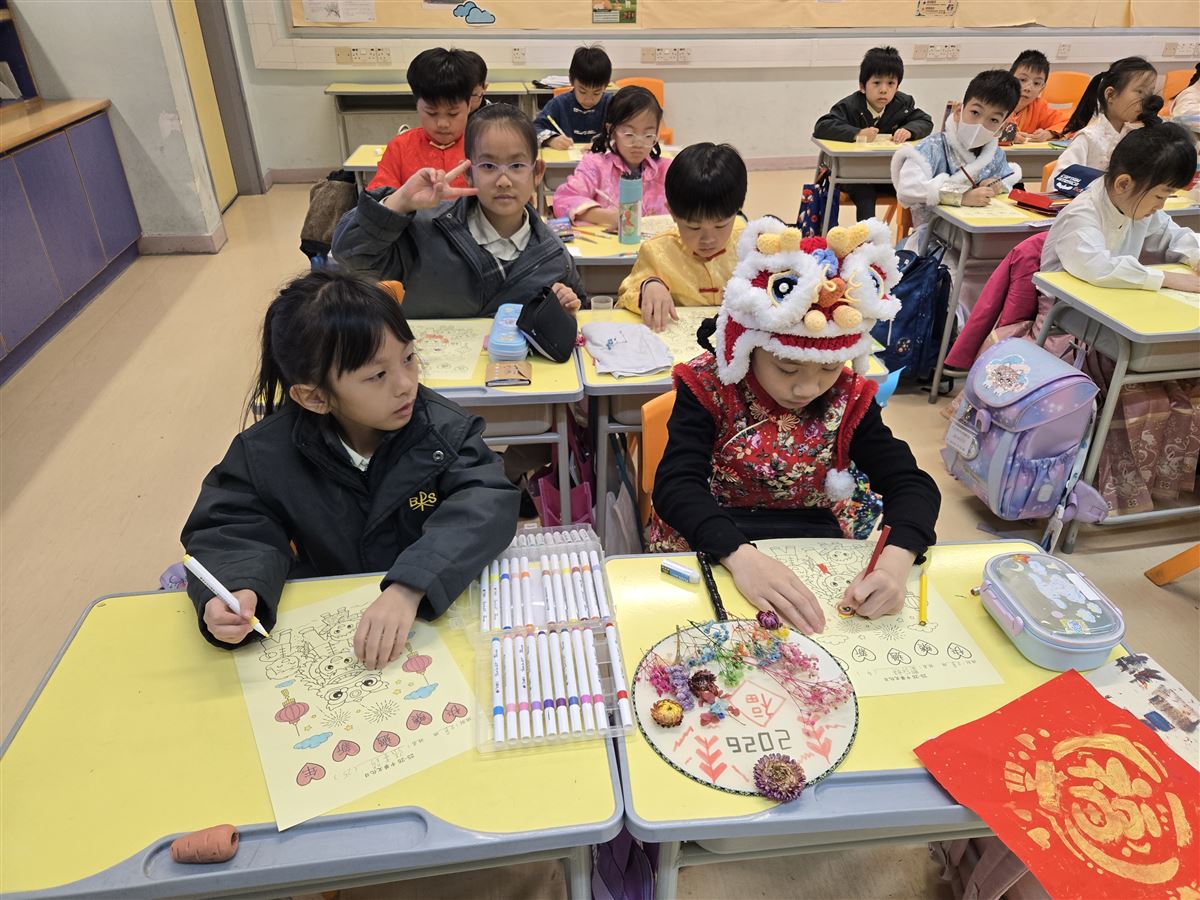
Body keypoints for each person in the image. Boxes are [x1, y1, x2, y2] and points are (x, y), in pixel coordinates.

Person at [181, 270, 519, 667]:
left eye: (409, 358)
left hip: (430, 617)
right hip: (328, 629)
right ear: (315, 397)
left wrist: (411, 584)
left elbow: (486, 502)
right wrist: (239, 587)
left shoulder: (442, 431)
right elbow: (231, 527)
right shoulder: (265, 453)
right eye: (377, 375)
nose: (405, 384)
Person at [649, 218, 940, 634]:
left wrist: (895, 562)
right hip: (715, 535)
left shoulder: (847, 396)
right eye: (787, 368)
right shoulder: (711, 386)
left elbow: (911, 484)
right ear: (749, 346)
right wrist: (741, 556)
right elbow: (676, 485)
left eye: (828, 368)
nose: (807, 388)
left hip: (809, 537)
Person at [333, 104, 585, 318]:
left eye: (517, 165)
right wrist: (400, 201)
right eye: (488, 166)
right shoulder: (425, 231)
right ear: (469, 173)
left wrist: (564, 311)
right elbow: (350, 255)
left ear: (537, 172)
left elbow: (577, 314)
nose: (503, 181)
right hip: (424, 360)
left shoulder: (554, 257)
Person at [1042, 118, 1200, 292]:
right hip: (1066, 304)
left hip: (1107, 297)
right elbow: (1096, 266)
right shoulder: (1082, 213)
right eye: (1159, 196)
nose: (1160, 206)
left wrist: (1197, 256)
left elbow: (1175, 237)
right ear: (1124, 184)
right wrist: (1166, 278)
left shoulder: (1135, 204)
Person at [617, 142, 748, 331]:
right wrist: (649, 285)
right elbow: (625, 296)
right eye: (694, 227)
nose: (708, 239)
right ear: (672, 213)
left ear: (737, 211)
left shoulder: (751, 245)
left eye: (720, 225)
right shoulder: (657, 251)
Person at [891, 69, 1022, 242]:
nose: (980, 124)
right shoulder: (933, 147)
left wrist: (996, 185)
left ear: (1002, 127)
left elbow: (1006, 181)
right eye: (975, 112)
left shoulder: (995, 155)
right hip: (932, 240)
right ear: (959, 111)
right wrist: (961, 196)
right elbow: (908, 189)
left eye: (993, 120)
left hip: (983, 238)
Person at [812, 46, 934, 220]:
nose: (884, 90)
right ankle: (868, 236)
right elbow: (822, 126)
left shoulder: (902, 104)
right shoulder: (849, 106)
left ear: (897, 86)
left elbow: (924, 121)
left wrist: (909, 130)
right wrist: (857, 133)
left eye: (890, 84)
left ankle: (917, 234)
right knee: (865, 194)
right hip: (854, 176)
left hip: (887, 174)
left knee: (916, 188)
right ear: (863, 86)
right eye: (877, 83)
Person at [553, 85, 672, 227]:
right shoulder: (595, 166)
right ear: (612, 130)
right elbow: (563, 201)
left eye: (648, 135)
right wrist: (610, 217)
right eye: (629, 134)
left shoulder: (667, 170)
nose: (638, 143)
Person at [368, 48, 474, 191]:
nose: (442, 124)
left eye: (453, 113)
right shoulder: (400, 148)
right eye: (432, 113)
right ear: (417, 105)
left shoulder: (481, 145)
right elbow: (377, 197)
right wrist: (403, 198)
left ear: (469, 105)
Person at [1053, 56, 1159, 179]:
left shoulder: (1137, 135)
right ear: (1110, 95)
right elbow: (1060, 181)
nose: (1147, 100)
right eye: (1140, 91)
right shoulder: (1088, 138)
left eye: (1150, 93)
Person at [534, 45, 613, 148]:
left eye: (596, 93)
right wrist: (551, 139)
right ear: (571, 80)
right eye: (582, 91)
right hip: (567, 158)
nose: (588, 99)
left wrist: (607, 142)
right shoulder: (559, 104)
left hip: (600, 158)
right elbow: (534, 128)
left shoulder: (611, 105)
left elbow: (625, 132)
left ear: (606, 85)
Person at [1006, 49, 1070, 142]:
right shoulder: (994, 101)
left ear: (1042, 88)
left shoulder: (1039, 107)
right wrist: (1007, 135)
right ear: (1010, 78)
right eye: (1022, 80)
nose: (1028, 88)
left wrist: (1049, 133)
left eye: (1036, 83)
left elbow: (1069, 124)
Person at [465, 50, 491, 114]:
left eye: (473, 95)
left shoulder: (491, 115)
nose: (467, 103)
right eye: (461, 95)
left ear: (484, 88)